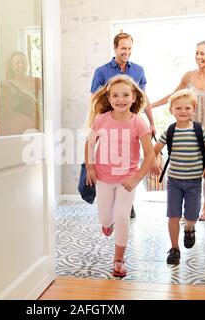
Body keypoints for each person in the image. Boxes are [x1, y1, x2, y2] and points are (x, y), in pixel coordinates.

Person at [151, 40, 205, 221]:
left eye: (202, 53)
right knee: (189, 168)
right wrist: (151, 106)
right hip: (190, 129)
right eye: (197, 53)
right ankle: (189, 206)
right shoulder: (189, 76)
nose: (198, 57)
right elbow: (174, 96)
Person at [85, 75, 155, 277]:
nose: (120, 99)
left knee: (122, 216)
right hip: (104, 178)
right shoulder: (101, 120)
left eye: (125, 95)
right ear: (109, 97)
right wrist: (90, 167)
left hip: (126, 181)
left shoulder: (138, 123)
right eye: (115, 95)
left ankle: (119, 259)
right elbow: (89, 144)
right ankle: (108, 224)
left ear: (134, 97)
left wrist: (136, 179)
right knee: (106, 218)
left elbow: (150, 154)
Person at [90, 32, 156, 218]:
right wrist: (95, 125)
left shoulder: (138, 70)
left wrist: (151, 122)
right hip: (108, 124)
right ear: (115, 48)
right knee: (110, 161)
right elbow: (95, 101)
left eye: (129, 48)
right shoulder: (101, 72)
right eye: (123, 48)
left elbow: (144, 98)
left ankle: (126, 201)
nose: (126, 51)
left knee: (129, 162)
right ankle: (110, 201)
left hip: (131, 125)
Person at [151, 89, 205, 265]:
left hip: (194, 182)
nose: (183, 111)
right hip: (174, 182)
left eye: (187, 108)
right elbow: (154, 151)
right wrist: (155, 160)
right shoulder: (169, 131)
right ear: (171, 110)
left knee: (192, 215)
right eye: (178, 108)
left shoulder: (199, 130)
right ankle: (174, 248)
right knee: (173, 215)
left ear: (193, 109)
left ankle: (189, 228)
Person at [0, 51, 42, 135]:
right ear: (11, 66)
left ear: (27, 64)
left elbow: (42, 103)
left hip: (34, 120)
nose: (20, 65)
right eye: (17, 63)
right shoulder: (7, 85)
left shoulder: (37, 82)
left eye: (23, 63)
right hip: (16, 124)